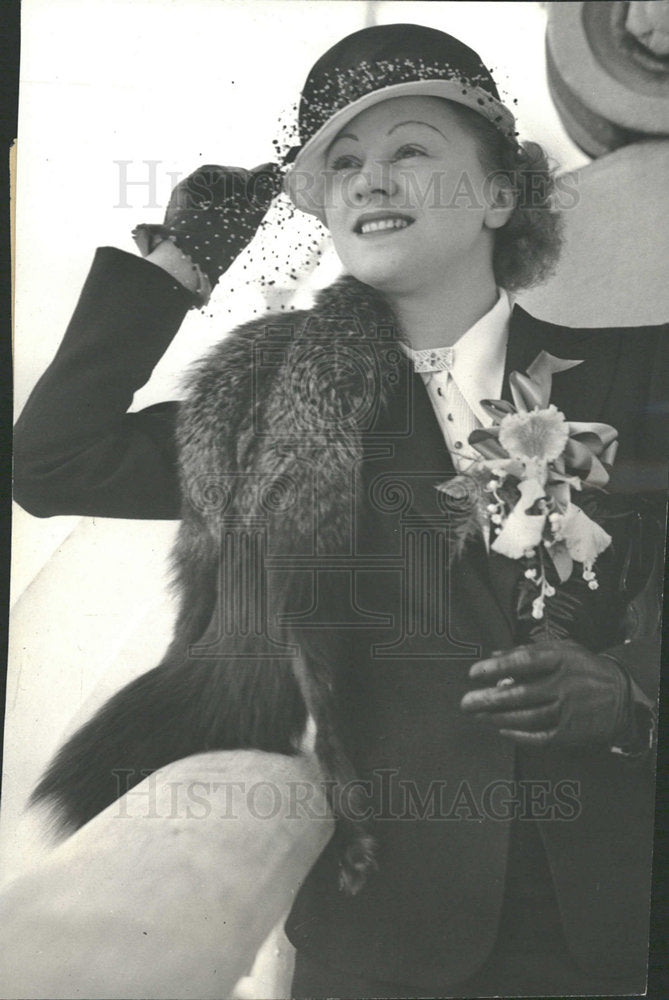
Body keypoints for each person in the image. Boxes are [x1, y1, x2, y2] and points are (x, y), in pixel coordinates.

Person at [13, 22, 668, 999]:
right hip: (377, 938)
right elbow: (54, 461)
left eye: (411, 149)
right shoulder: (271, 401)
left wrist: (631, 704)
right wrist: (182, 264)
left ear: (500, 192)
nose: (370, 179)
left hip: (615, 930)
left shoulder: (637, 373)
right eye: (343, 163)